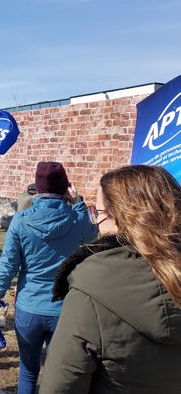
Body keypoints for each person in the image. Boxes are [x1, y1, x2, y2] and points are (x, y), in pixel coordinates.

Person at [40, 165, 181, 394]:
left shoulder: (91, 292)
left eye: (98, 212)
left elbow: (60, 387)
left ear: (123, 218)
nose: (95, 222)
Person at [0, 161, 97, 394]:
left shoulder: (20, 220)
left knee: (28, 371)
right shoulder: (77, 219)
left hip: (29, 307)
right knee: (60, 373)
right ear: (65, 188)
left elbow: (7, 265)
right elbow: (93, 235)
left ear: (37, 188)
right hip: (64, 309)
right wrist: (79, 202)